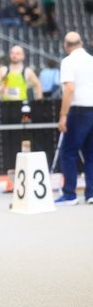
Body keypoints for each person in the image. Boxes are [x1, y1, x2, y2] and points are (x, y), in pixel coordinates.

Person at [55, 31, 93, 205]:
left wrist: (63, 115)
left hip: (79, 110)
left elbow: (69, 89)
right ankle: (91, 193)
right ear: (82, 43)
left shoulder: (68, 62)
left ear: (66, 45)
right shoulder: (91, 60)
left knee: (68, 152)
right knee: (91, 154)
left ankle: (69, 193)